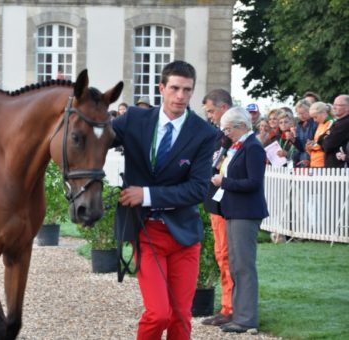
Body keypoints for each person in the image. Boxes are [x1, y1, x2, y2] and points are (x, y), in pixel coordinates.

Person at [113, 60, 217, 340]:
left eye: (187, 90)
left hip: (184, 236)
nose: (180, 96)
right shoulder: (134, 119)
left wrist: (145, 195)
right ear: (162, 88)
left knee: (181, 316)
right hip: (147, 232)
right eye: (175, 88)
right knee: (159, 313)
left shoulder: (204, 133)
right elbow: (97, 138)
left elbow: (197, 189)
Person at [211, 106, 268, 334]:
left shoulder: (253, 147)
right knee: (235, 265)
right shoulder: (240, 146)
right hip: (234, 211)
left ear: (241, 126)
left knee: (243, 267)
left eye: (228, 128)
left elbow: (253, 182)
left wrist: (223, 182)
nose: (225, 133)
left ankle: (247, 319)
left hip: (246, 213)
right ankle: (238, 314)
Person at [201, 89, 235, 327]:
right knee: (221, 255)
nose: (210, 116)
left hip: (227, 205)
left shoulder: (233, 139)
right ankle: (227, 306)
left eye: (212, 111)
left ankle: (230, 308)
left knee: (226, 256)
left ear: (224, 108)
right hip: (215, 202)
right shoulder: (217, 137)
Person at [322, 94, 349, 168]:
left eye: (338, 105)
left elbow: (328, 145)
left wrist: (326, 138)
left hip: (340, 167)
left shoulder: (345, 123)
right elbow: (322, 140)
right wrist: (325, 138)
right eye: (334, 104)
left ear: (347, 108)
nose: (334, 107)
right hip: (333, 166)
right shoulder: (338, 122)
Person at [306, 102, 333, 168]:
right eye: (312, 118)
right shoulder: (320, 124)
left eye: (315, 117)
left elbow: (325, 143)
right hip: (315, 162)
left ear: (323, 113)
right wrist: (309, 146)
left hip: (323, 162)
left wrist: (313, 145)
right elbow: (317, 142)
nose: (314, 120)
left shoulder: (331, 123)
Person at [293, 99, 317, 167]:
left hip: (312, 158)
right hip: (300, 158)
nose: (301, 115)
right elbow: (300, 147)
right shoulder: (298, 125)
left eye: (304, 113)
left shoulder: (315, 123)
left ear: (310, 111)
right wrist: (293, 139)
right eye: (299, 113)